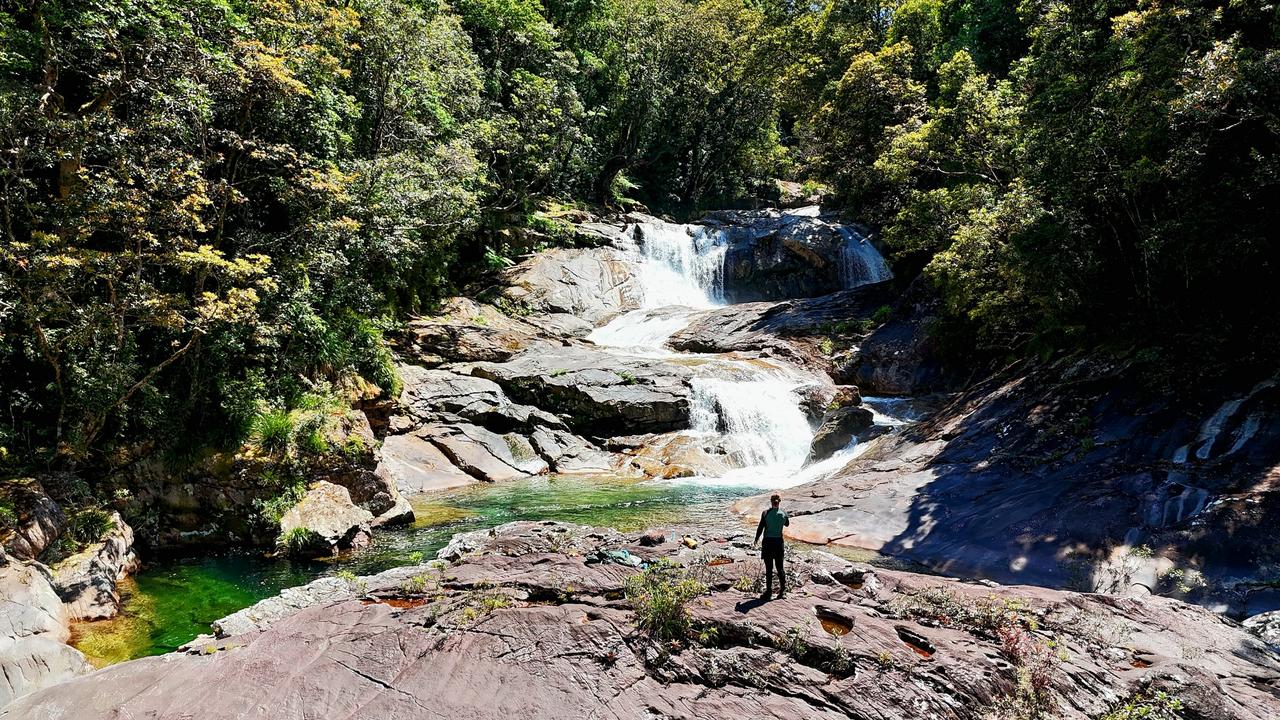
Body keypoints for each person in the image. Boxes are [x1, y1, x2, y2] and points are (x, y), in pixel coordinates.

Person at [753, 493, 789, 600]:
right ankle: (782, 592)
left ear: (771, 501)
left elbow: (760, 528)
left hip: (768, 543)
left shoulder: (765, 513)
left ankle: (768, 593)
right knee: (780, 568)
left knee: (769, 569)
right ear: (779, 502)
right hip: (779, 543)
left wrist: (756, 539)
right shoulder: (783, 513)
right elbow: (787, 524)